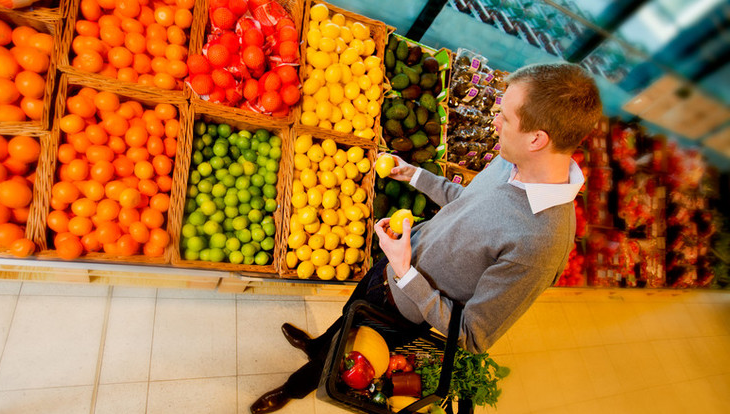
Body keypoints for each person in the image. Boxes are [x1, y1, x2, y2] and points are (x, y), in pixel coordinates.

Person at [250, 62, 602, 413]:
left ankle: (294, 388)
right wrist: (416, 176)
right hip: (392, 266)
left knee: (343, 357)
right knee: (345, 322)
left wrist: (407, 274)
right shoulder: (515, 161)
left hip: (404, 309)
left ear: (537, 139)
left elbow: (472, 334)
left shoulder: (540, 244)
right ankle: (318, 346)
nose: (495, 121)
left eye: (505, 118)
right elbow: (468, 204)